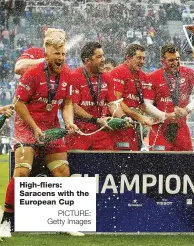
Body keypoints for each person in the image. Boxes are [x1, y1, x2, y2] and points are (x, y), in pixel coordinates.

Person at [0, 36, 82, 236]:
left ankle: (64, 221)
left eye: (63, 54)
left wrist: (69, 122)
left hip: (51, 126)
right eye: (57, 53)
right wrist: (35, 128)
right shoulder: (32, 74)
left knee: (63, 172)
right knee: (22, 173)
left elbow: (68, 103)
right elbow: (18, 104)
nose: (61, 57)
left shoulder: (68, 75)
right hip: (26, 125)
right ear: (46, 55)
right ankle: (6, 222)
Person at [66, 42, 129, 150]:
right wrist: (96, 120)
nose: (103, 59)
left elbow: (112, 104)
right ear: (87, 61)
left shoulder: (106, 77)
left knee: (107, 163)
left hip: (101, 130)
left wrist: (124, 118)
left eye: (103, 55)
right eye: (99, 56)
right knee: (77, 165)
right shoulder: (74, 76)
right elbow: (74, 107)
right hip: (80, 132)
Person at [144, 44, 194, 151]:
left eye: (177, 59)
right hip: (160, 128)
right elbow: (146, 104)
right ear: (162, 61)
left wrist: (187, 110)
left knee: (186, 164)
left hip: (181, 128)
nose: (175, 63)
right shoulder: (153, 77)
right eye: (171, 60)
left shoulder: (187, 73)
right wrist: (165, 115)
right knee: (158, 164)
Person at [110, 43, 152, 151]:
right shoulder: (118, 72)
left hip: (137, 126)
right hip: (123, 124)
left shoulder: (144, 76)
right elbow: (116, 101)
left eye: (143, 58)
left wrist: (154, 116)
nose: (142, 62)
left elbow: (145, 105)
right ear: (128, 58)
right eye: (138, 58)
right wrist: (138, 116)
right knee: (123, 158)